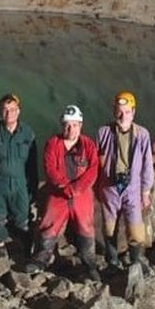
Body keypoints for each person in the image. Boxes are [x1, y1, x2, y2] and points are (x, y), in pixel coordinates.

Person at [27, 105, 100, 281]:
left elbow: (93, 169)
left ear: (80, 125)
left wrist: (78, 188)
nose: (70, 129)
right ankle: (41, 260)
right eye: (67, 125)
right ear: (62, 125)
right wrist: (64, 186)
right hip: (58, 192)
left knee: (86, 226)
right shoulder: (53, 143)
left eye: (74, 125)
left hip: (81, 194)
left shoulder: (88, 145)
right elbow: (50, 168)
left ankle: (89, 264)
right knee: (48, 224)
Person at [96, 91, 154, 271]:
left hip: (132, 188)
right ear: (114, 111)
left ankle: (135, 261)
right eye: (120, 111)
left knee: (136, 230)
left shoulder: (142, 134)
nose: (123, 116)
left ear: (133, 112)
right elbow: (95, 161)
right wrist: (95, 187)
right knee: (109, 228)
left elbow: (147, 164)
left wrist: (145, 191)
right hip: (109, 188)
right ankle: (112, 260)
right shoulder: (103, 132)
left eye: (127, 112)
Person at [0, 93, 38, 257]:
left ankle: (24, 249)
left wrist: (33, 190)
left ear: (18, 111)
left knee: (23, 218)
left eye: (12, 110)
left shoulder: (28, 133)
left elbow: (32, 166)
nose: (8, 114)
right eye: (5, 110)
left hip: (20, 185)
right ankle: (0, 249)